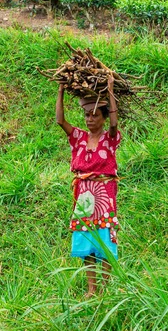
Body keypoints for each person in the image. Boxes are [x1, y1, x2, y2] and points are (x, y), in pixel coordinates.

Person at [56, 74, 121, 298]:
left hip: (104, 194)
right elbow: (60, 121)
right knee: (86, 238)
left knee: (104, 237)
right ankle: (91, 289)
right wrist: (61, 91)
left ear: (103, 118)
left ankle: (104, 287)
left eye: (94, 115)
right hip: (84, 194)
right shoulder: (79, 138)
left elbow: (114, 123)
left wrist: (110, 90)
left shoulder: (110, 138)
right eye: (86, 115)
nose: (90, 119)